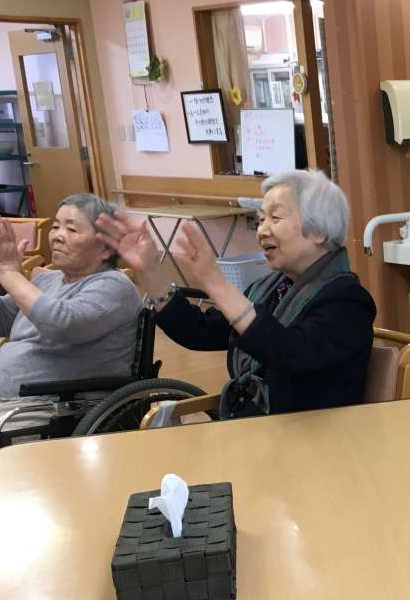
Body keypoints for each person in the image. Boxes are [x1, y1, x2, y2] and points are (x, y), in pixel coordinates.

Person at [97, 170, 376, 420]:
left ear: (319, 231)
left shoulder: (348, 301)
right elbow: (200, 331)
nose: (262, 230)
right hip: (262, 428)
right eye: (260, 219)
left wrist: (216, 283)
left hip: (318, 439)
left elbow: (289, 353)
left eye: (275, 218)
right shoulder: (272, 288)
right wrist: (150, 271)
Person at [0, 194, 141, 470]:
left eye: (71, 229)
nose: (57, 236)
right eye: (55, 226)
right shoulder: (50, 280)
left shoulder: (114, 286)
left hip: (45, 404)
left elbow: (61, 324)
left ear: (104, 248)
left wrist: (9, 274)